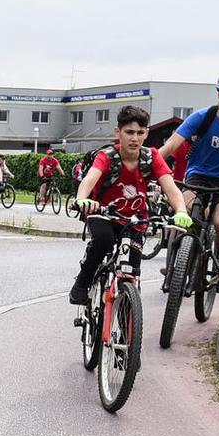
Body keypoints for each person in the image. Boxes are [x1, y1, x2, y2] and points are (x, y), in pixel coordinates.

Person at [70, 105, 192, 304]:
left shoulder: (151, 157)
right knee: (104, 241)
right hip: (104, 215)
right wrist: (83, 199)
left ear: (146, 133)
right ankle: (83, 282)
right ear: (118, 132)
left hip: (135, 220)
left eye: (140, 133)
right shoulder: (107, 156)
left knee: (132, 272)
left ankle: (128, 323)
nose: (134, 138)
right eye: (129, 132)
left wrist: (180, 210)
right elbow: (90, 179)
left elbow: (171, 189)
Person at [158, 69, 219, 293]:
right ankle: (177, 259)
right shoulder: (202, 117)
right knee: (181, 211)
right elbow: (171, 145)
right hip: (198, 175)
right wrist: (148, 166)